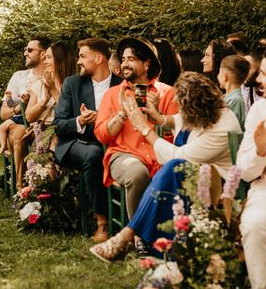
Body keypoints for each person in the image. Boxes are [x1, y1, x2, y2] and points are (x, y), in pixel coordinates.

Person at [90, 71, 241, 262]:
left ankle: (128, 236)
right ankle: (137, 240)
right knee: (168, 170)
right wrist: (158, 117)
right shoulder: (210, 112)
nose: (180, 113)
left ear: (195, 108)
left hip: (216, 185)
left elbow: (177, 157)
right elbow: (177, 119)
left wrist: (144, 127)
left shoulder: (222, 128)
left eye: (183, 108)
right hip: (198, 174)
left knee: (172, 167)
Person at [94, 37, 179, 220]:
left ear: (147, 64)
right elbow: (101, 135)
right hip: (124, 154)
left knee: (179, 171)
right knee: (138, 173)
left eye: (131, 59)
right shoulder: (112, 94)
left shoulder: (168, 93)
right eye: (123, 59)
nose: (124, 64)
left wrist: (156, 115)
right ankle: (138, 234)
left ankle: (173, 232)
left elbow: (176, 134)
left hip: (160, 155)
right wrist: (121, 115)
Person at [54, 38, 122, 243]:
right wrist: (80, 121)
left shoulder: (121, 85)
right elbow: (59, 124)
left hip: (115, 143)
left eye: (83, 56)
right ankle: (102, 221)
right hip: (78, 144)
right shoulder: (72, 84)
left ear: (99, 58)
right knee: (94, 155)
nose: (79, 61)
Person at [237, 54, 266, 289]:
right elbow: (244, 171)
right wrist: (260, 152)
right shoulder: (259, 112)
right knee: (255, 222)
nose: (259, 79)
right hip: (263, 186)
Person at [0, 35, 51, 188]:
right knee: (20, 132)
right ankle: (21, 185)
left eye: (29, 50)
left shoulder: (53, 75)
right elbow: (3, 113)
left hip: (47, 123)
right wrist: (20, 106)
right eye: (25, 50)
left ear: (43, 54)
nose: (25, 53)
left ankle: (48, 183)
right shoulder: (19, 77)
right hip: (22, 122)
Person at [24, 42, 76, 141]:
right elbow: (28, 117)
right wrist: (44, 101)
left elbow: (71, 114)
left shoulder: (76, 84)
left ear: (60, 60)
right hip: (43, 131)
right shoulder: (39, 84)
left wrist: (53, 90)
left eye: (48, 57)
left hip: (67, 130)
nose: (45, 62)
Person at [218, 54, 250, 130]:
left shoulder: (235, 100)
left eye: (219, 72)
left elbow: (231, 130)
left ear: (225, 76)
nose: (218, 75)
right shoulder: (228, 97)